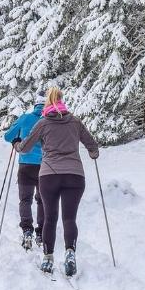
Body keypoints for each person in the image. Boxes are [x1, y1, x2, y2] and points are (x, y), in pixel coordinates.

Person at [13, 87, 99, 277]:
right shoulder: (75, 121)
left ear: (47, 103)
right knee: (69, 218)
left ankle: (48, 258)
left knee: (51, 218)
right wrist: (93, 153)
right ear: (62, 101)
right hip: (75, 175)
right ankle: (70, 252)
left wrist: (16, 144)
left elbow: (25, 147)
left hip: (49, 175)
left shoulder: (43, 123)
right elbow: (92, 145)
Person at [3, 91, 46, 250]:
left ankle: (27, 230)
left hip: (26, 165)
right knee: (42, 200)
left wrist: (17, 140)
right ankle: (41, 233)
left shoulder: (25, 118)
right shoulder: (49, 120)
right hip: (45, 166)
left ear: (35, 104)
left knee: (25, 200)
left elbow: (8, 136)